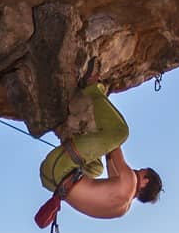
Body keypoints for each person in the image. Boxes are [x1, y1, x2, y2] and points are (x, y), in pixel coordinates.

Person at [38, 83, 162, 220]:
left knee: (121, 133)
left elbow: (114, 148)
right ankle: (73, 129)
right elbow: (110, 160)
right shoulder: (122, 209)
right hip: (51, 180)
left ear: (145, 181)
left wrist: (105, 124)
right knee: (97, 168)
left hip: (60, 168)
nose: (137, 170)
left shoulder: (131, 182)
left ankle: (91, 88)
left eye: (142, 170)